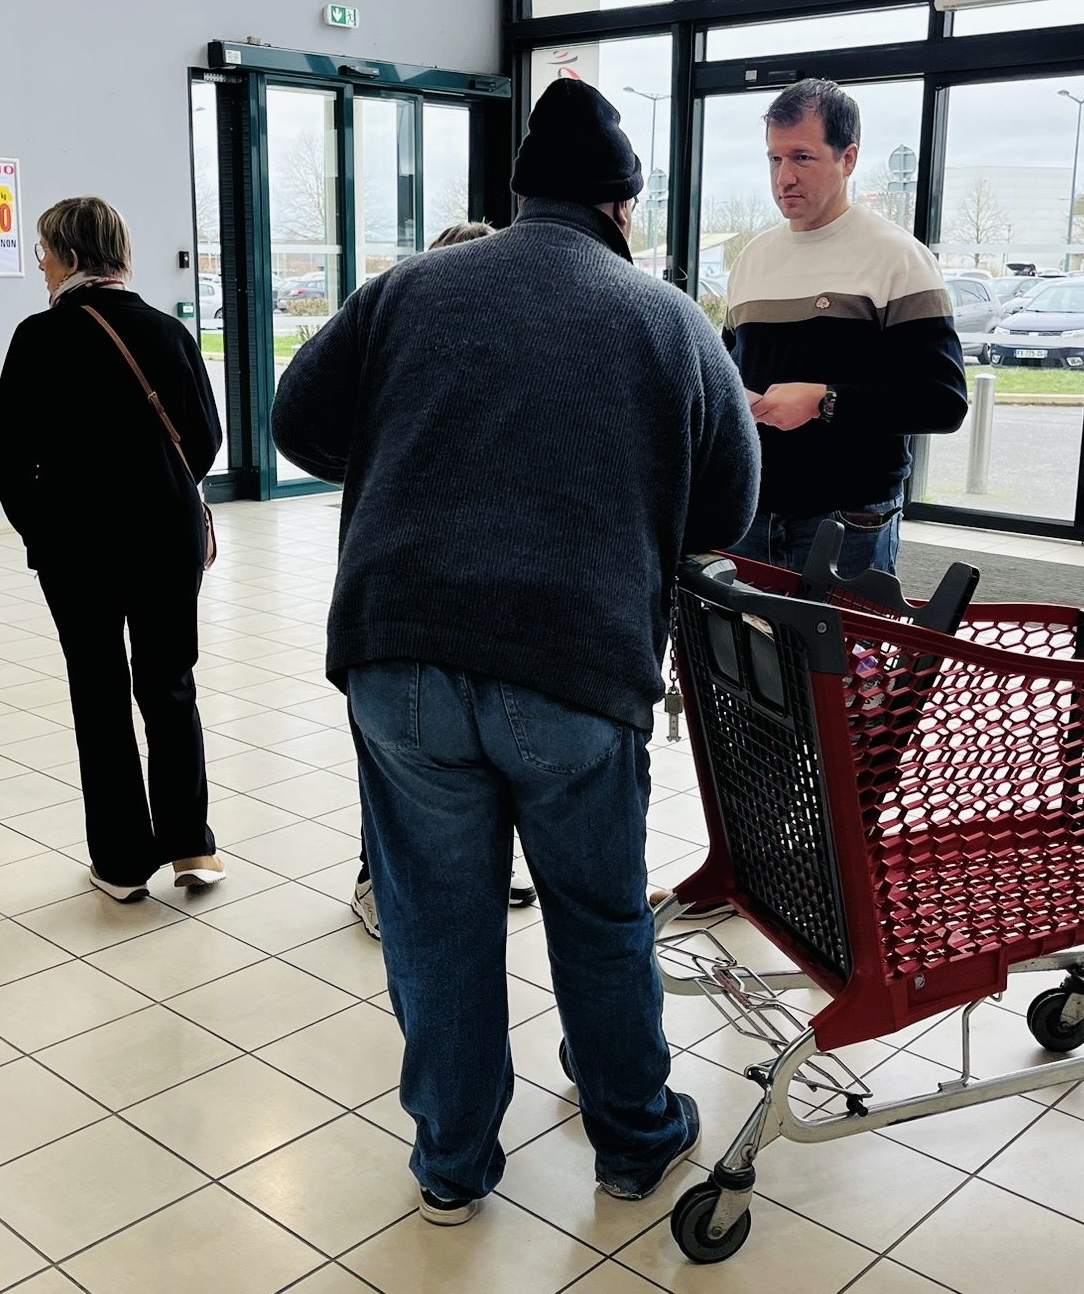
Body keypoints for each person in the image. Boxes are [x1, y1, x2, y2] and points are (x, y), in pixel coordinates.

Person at [273, 79, 759, 1225]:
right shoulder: (668, 319)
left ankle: (451, 1160)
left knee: (439, 921)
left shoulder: (408, 290)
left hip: (400, 657)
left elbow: (297, 420)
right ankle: (634, 1138)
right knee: (596, 912)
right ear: (624, 206)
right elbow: (729, 507)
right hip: (575, 667)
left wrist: (414, 452)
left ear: (519, 193)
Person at [0, 197, 225, 901]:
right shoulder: (168, 331)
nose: (40, 267)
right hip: (165, 535)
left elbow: (7, 457)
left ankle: (123, 864)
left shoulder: (38, 337)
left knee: (98, 692)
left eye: (41, 253)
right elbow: (205, 442)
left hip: (77, 545)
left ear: (64, 256)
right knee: (169, 682)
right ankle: (191, 846)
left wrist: (41, 528)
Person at [346, 216, 534, 942]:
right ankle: (374, 878)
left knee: (422, 758)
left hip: (412, 603)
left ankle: (454, 872)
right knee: (403, 764)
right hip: (406, 595)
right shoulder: (404, 353)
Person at [722, 79, 968, 578]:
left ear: (848, 158)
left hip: (847, 522)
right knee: (749, 659)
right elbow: (728, 372)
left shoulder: (897, 257)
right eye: (774, 159)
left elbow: (943, 401)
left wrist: (823, 399)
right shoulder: (752, 259)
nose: (784, 177)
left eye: (802, 157)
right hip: (751, 515)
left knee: (840, 660)